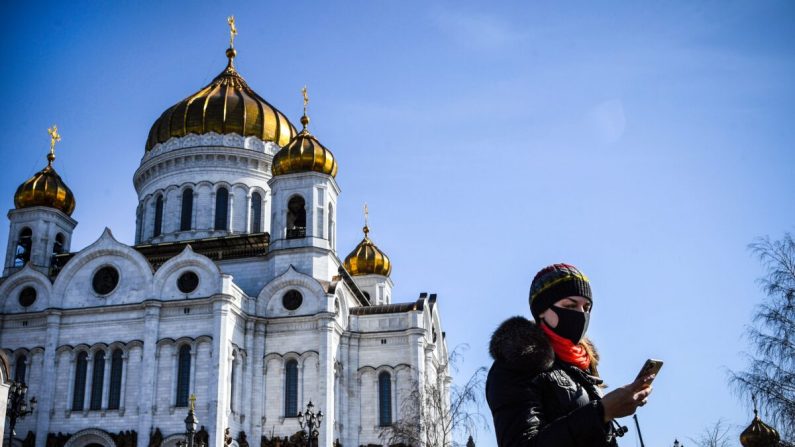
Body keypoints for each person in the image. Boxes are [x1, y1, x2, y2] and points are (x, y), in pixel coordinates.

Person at [486, 263, 654, 446]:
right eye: (571, 305)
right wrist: (602, 412)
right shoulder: (516, 363)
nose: (581, 314)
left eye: (587, 307)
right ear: (542, 310)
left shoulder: (581, 367)